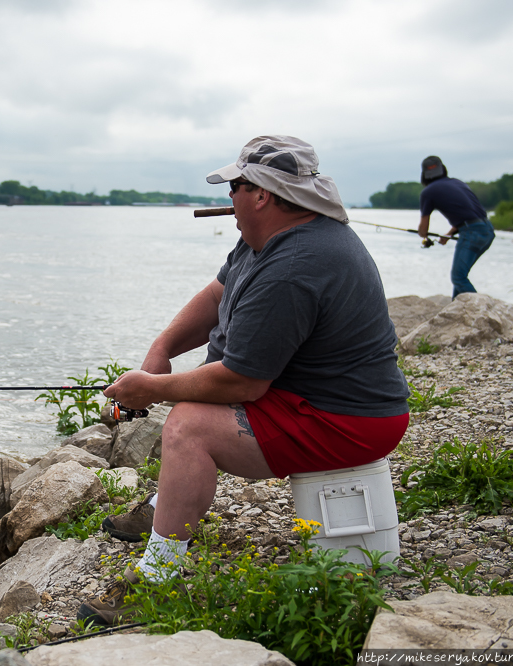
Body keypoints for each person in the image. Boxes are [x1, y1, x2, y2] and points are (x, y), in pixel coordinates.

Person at [77, 136, 411, 626]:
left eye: (235, 186)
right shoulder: (268, 239)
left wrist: (150, 389)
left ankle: (157, 583)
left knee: (189, 426)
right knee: (189, 408)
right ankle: (165, 504)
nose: (228, 197)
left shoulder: (295, 267)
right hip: (309, 398)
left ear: (263, 195)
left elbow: (241, 384)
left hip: (349, 420)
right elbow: (216, 294)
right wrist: (161, 353)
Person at [417, 156, 495, 299]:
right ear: (443, 169)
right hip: (487, 229)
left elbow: (423, 229)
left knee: (458, 277)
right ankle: (456, 308)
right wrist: (448, 234)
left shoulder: (428, 193)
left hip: (472, 232)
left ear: (424, 175)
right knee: (460, 276)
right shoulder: (457, 183)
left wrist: (423, 235)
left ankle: (479, 309)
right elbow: (470, 214)